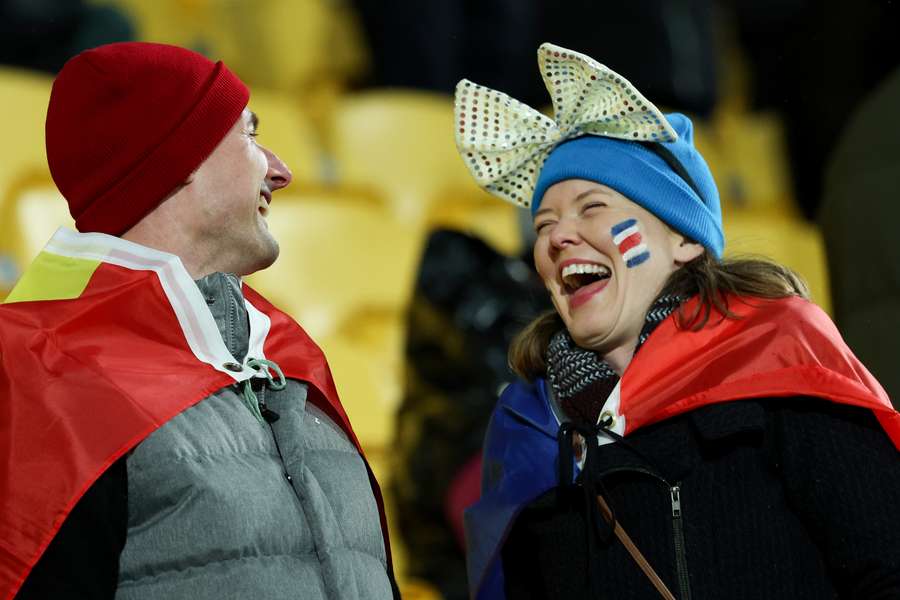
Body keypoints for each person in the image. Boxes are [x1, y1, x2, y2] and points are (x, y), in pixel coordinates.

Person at [454, 43, 900, 599]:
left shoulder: (781, 358)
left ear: (684, 238)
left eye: (592, 207)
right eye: (543, 225)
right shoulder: (531, 432)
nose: (556, 237)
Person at [0, 42, 398, 599]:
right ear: (179, 160)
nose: (281, 171)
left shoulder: (286, 357)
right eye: (251, 135)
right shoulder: (49, 379)